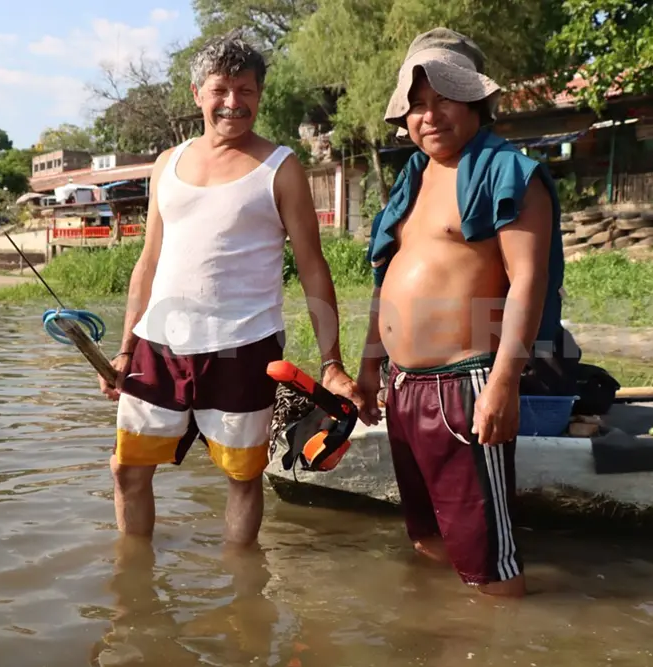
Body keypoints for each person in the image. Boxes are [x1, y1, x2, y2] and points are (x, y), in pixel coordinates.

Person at [100, 32, 361, 548]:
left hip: (244, 347)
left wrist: (331, 362)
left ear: (259, 95)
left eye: (246, 90)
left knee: (242, 478)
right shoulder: (166, 165)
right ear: (197, 92)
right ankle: (133, 588)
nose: (233, 103)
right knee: (127, 469)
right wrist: (125, 348)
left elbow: (312, 266)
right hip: (159, 346)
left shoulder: (280, 166)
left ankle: (243, 595)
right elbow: (148, 261)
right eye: (221, 89)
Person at [354, 28, 567, 598]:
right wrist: (369, 369)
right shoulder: (413, 181)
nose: (430, 115)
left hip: (463, 387)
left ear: (475, 102)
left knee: (490, 561)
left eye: (444, 98)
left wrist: (502, 385)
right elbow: (387, 281)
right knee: (427, 538)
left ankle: (507, 637)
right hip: (403, 386)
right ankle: (447, 634)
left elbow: (529, 280)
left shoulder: (507, 173)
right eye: (417, 105)